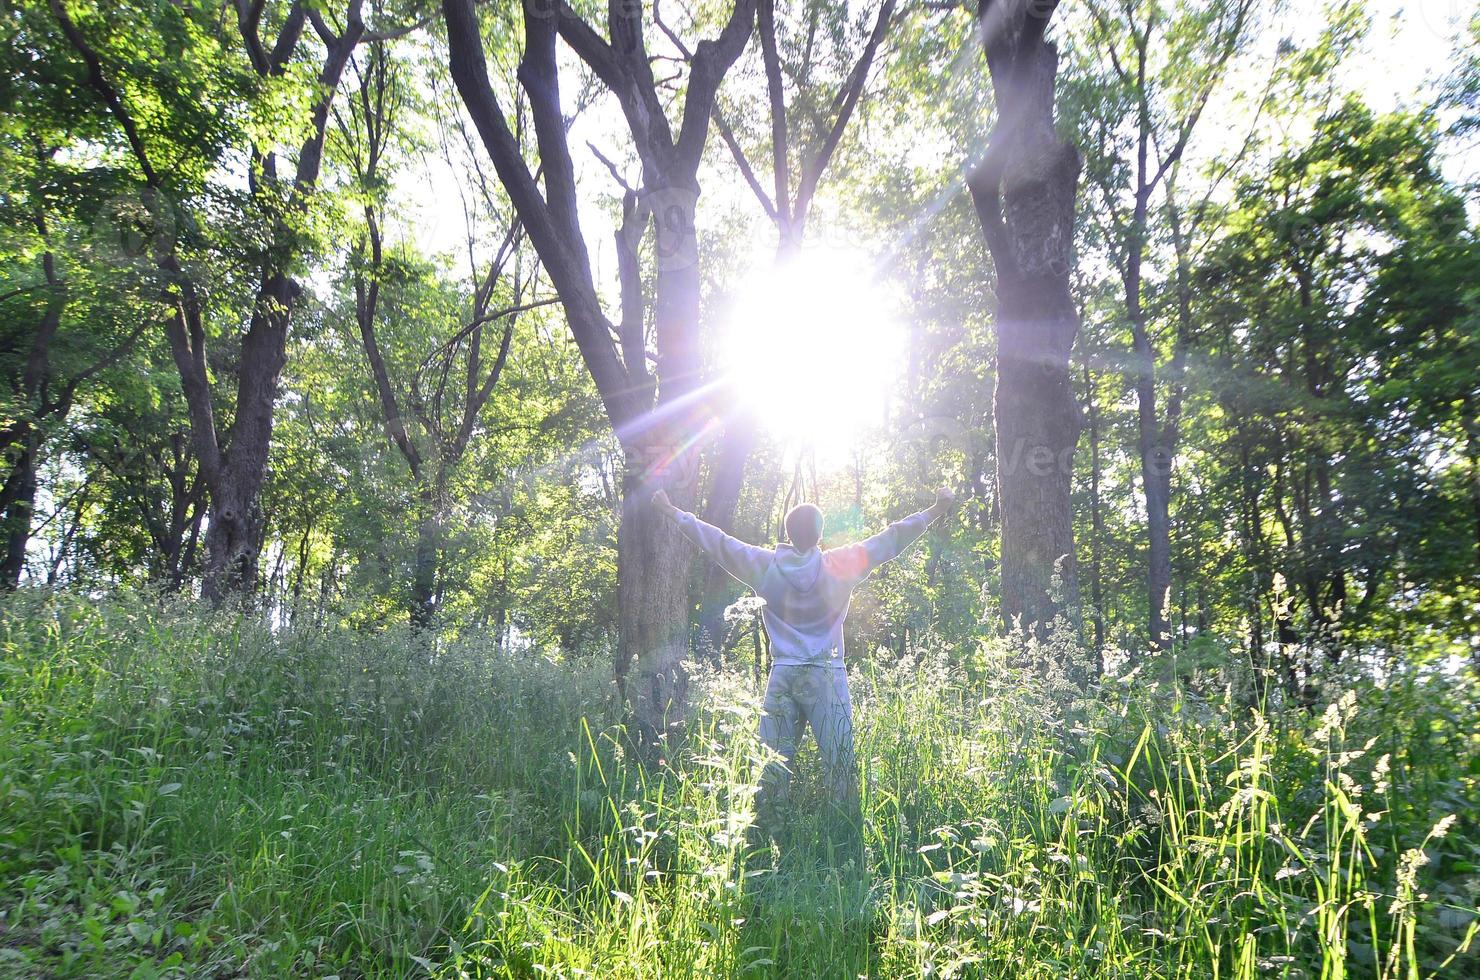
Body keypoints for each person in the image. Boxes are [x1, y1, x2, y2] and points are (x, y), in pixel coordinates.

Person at [650, 486, 954, 839]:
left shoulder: (765, 565)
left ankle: (764, 839)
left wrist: (673, 512)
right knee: (840, 764)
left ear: (787, 532)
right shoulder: (839, 564)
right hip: (827, 675)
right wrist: (934, 510)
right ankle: (844, 838)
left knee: (772, 765)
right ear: (820, 534)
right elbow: (890, 539)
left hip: (784, 674)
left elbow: (717, 542)